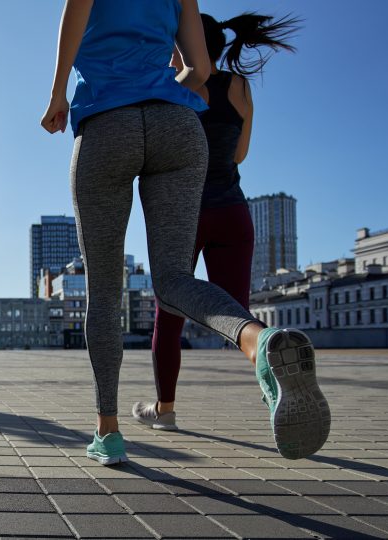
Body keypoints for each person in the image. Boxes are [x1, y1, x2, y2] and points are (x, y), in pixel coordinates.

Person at [41, 0, 329, 465]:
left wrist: (58, 94)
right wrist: (156, 92)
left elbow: (76, 12)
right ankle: (260, 342)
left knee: (103, 286)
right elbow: (198, 70)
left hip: (106, 125)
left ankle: (108, 433)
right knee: (174, 279)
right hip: (176, 125)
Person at [133, 12, 302, 432]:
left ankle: (165, 409)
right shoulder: (239, 86)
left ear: (186, 44)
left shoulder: (171, 89)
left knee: (169, 315)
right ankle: (279, 393)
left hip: (183, 214)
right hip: (232, 212)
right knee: (233, 317)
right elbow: (239, 154)